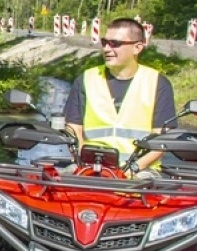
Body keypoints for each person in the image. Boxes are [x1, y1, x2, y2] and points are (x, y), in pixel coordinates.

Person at [62, 16, 176, 171]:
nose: (107, 49)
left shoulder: (158, 83)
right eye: (104, 43)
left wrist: (133, 168)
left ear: (137, 47)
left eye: (115, 44)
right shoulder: (86, 79)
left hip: (141, 171)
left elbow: (161, 142)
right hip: (90, 167)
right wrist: (85, 164)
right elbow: (73, 130)